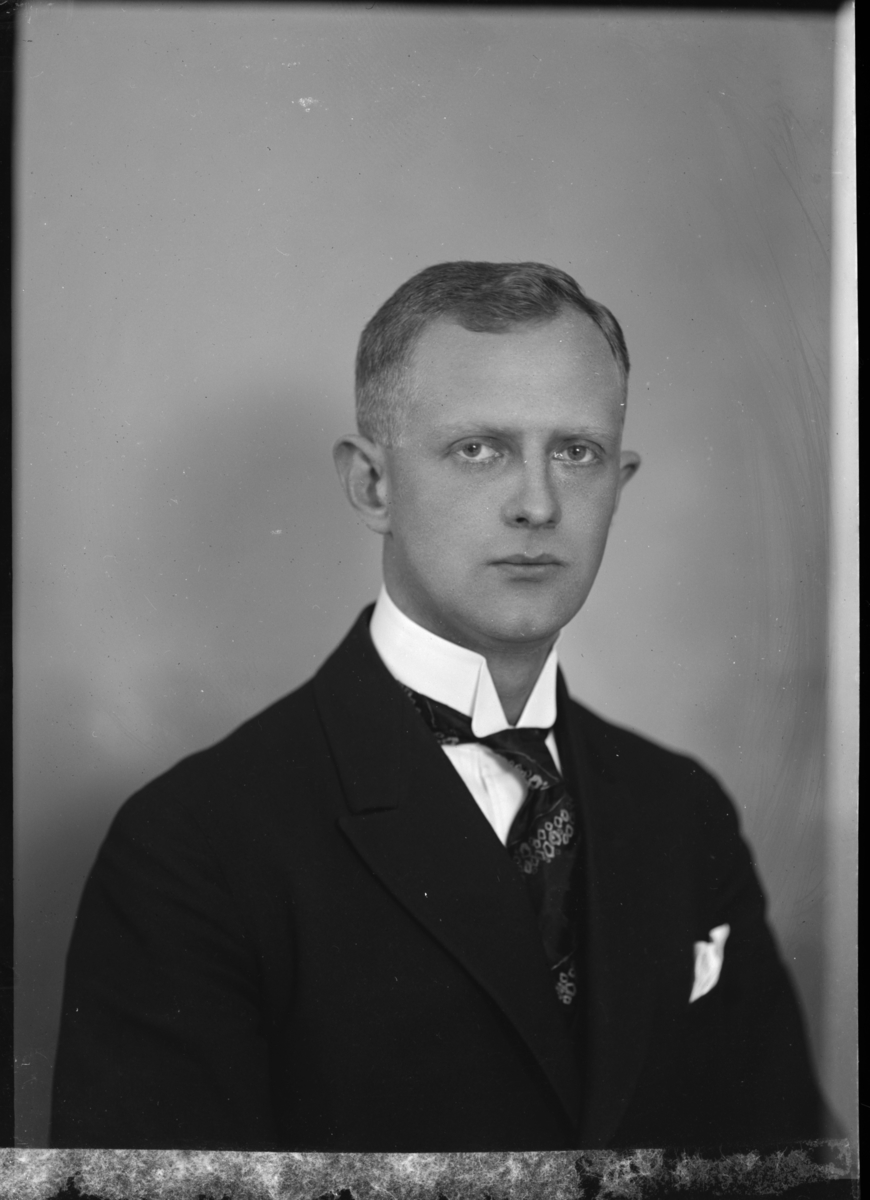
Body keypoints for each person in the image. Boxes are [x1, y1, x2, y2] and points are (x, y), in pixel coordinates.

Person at [51, 261, 826, 1151]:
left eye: (576, 452)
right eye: (479, 450)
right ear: (372, 486)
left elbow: (789, 1164)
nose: (537, 504)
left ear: (621, 482)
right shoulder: (193, 846)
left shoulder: (683, 809)